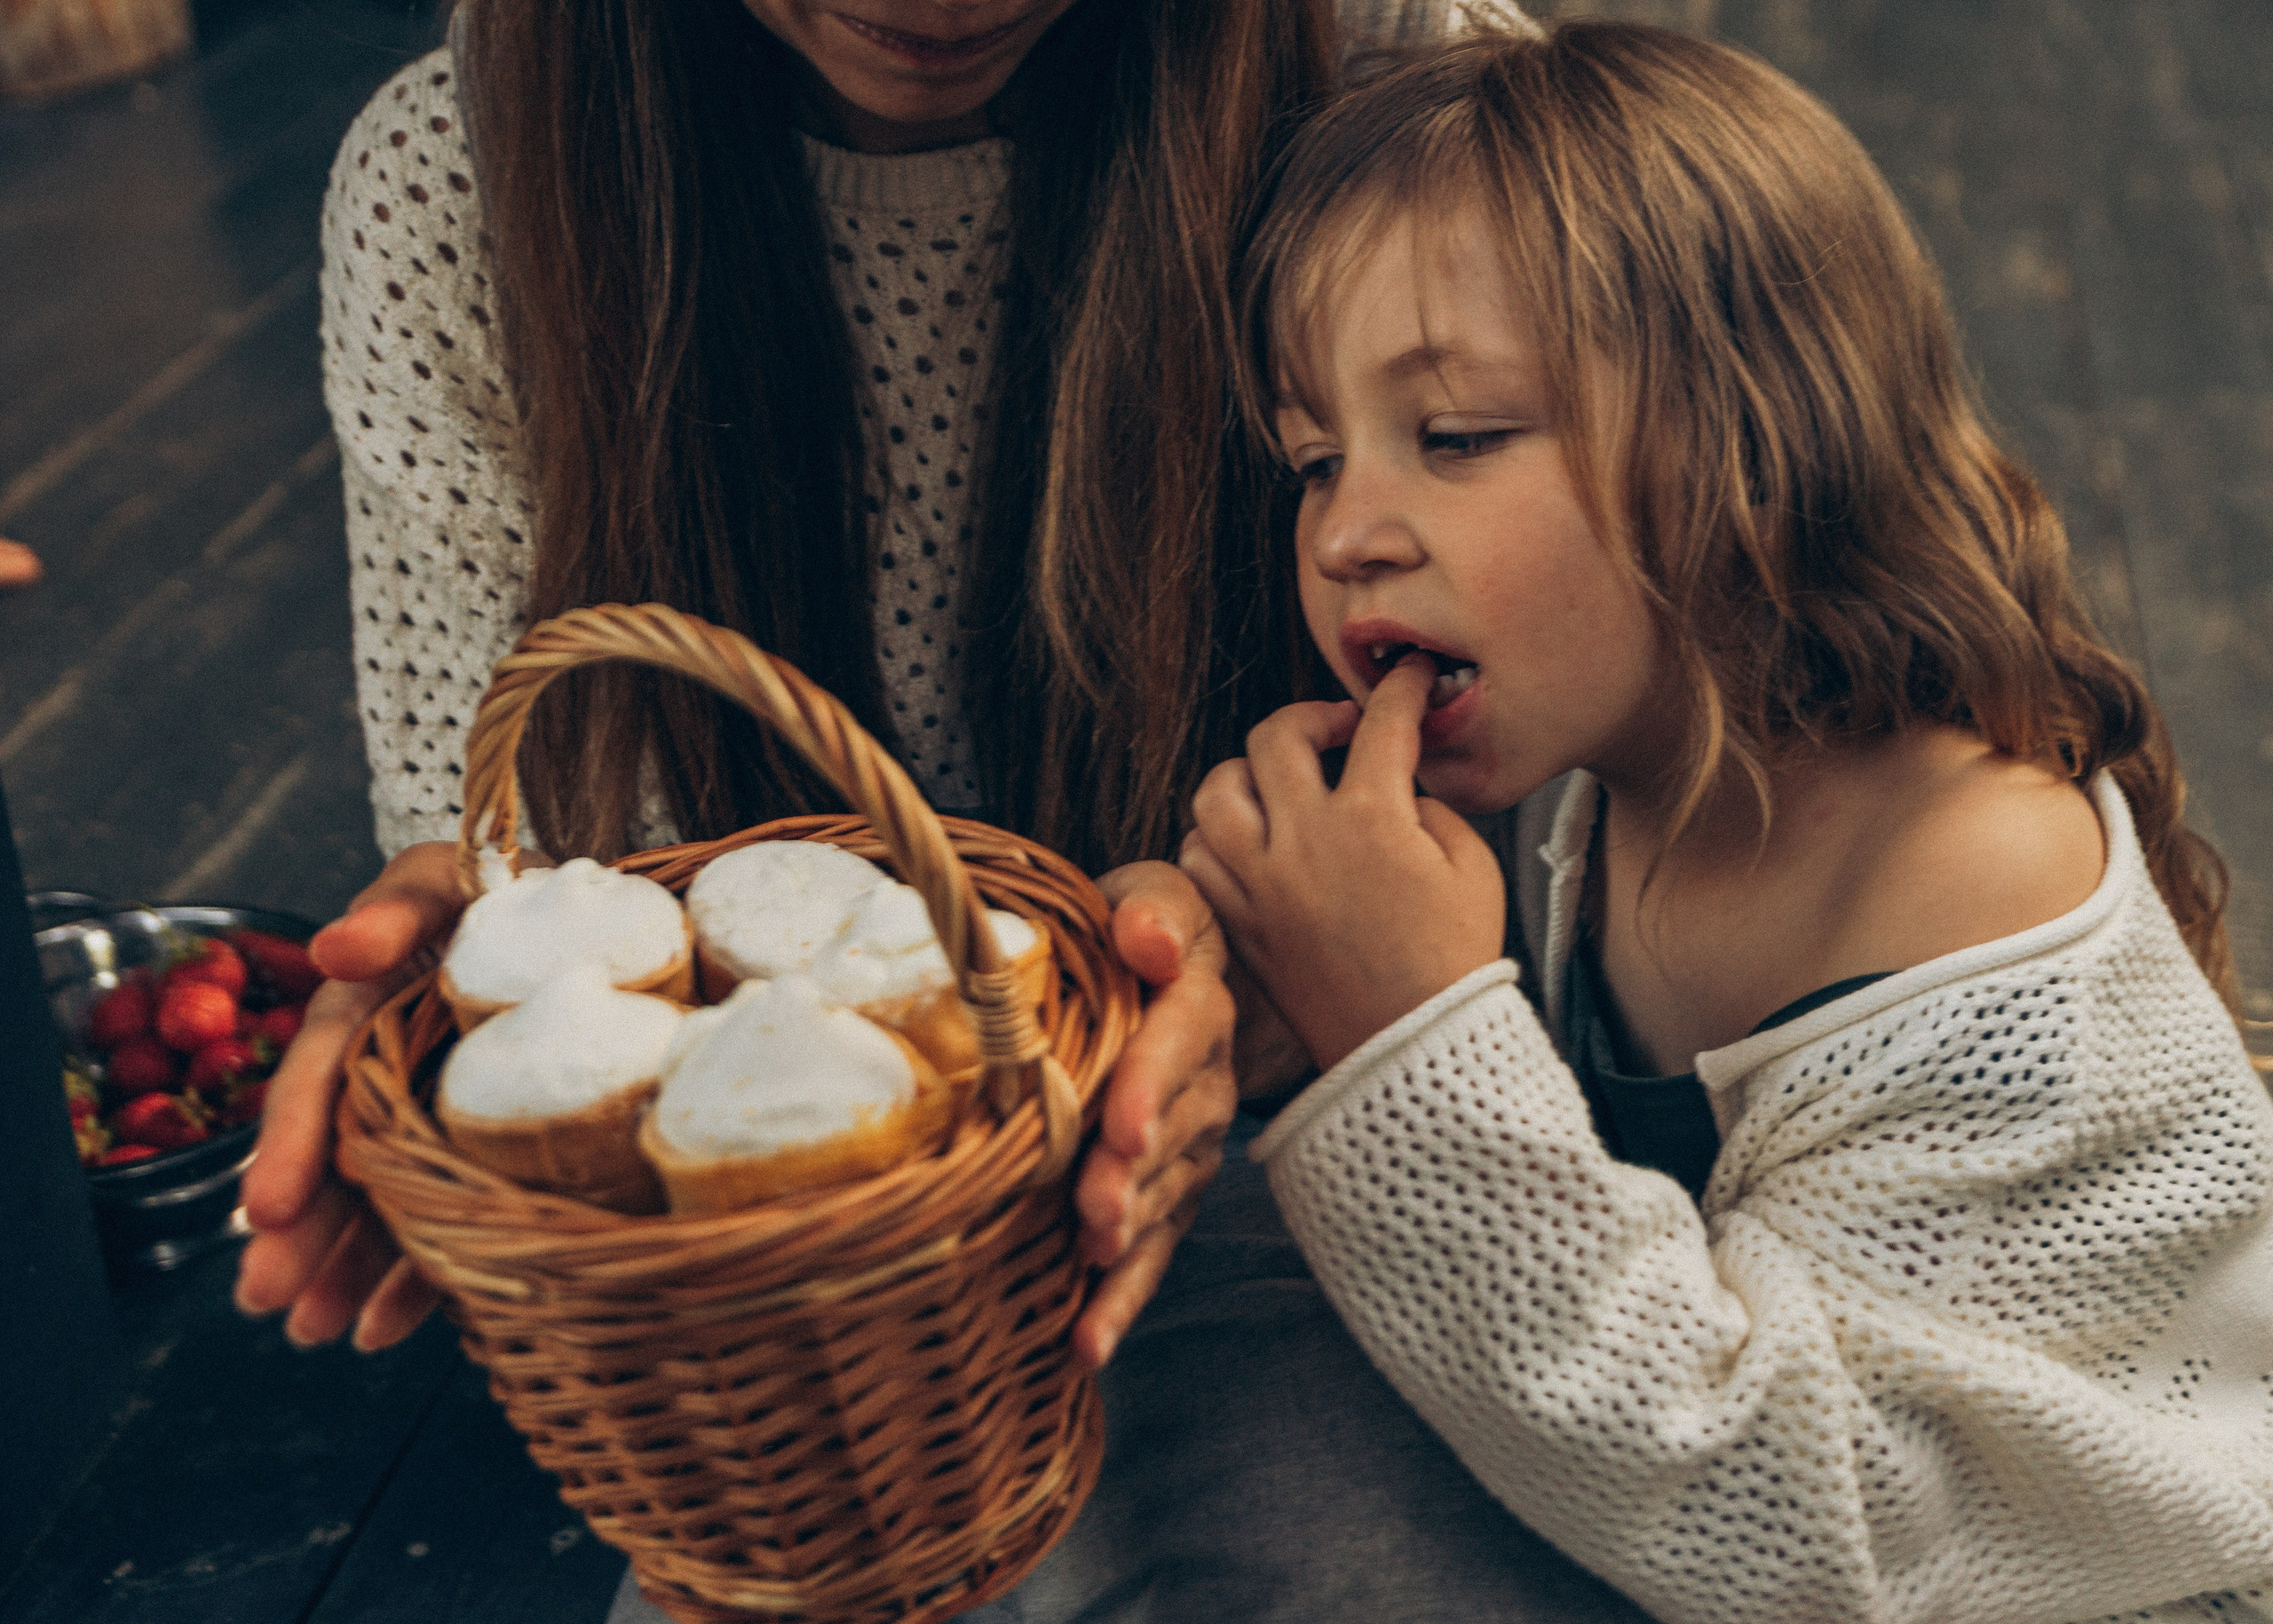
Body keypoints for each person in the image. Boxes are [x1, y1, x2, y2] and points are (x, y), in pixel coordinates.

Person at [239, 4, 1659, 1623]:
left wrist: (1276, 991)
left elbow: (1638, 736)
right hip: (796, 1295)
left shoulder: (1403, 66)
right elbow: (532, 858)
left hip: (1357, 1151)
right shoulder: (456, 189)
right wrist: (491, 971)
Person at [1182, 23, 2273, 1624]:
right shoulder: (1608, 796)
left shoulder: (1967, 871)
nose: (1344, 532)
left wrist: (1410, 1036)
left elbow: (1793, 1520)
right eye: (1314, 459)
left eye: (1458, 435)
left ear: (1751, 442)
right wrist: (1304, 1015)